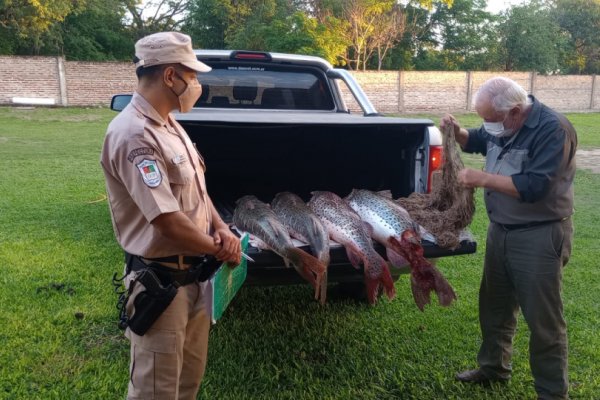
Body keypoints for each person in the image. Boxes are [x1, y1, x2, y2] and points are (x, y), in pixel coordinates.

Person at [100, 31, 241, 399]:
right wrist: (219, 247)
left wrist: (222, 226)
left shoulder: (170, 125)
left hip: (195, 279)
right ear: (169, 77)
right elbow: (167, 221)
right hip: (162, 286)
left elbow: (196, 190)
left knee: (186, 384)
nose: (195, 84)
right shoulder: (134, 135)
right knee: (156, 391)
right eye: (191, 76)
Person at [441, 77, 577, 400]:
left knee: (543, 321)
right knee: (495, 307)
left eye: (492, 119)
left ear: (515, 112)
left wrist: (480, 178)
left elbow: (534, 186)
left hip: (539, 236)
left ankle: (553, 393)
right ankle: (493, 367)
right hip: (500, 232)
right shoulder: (505, 122)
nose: (488, 126)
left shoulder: (553, 130)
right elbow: (479, 139)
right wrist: (459, 133)